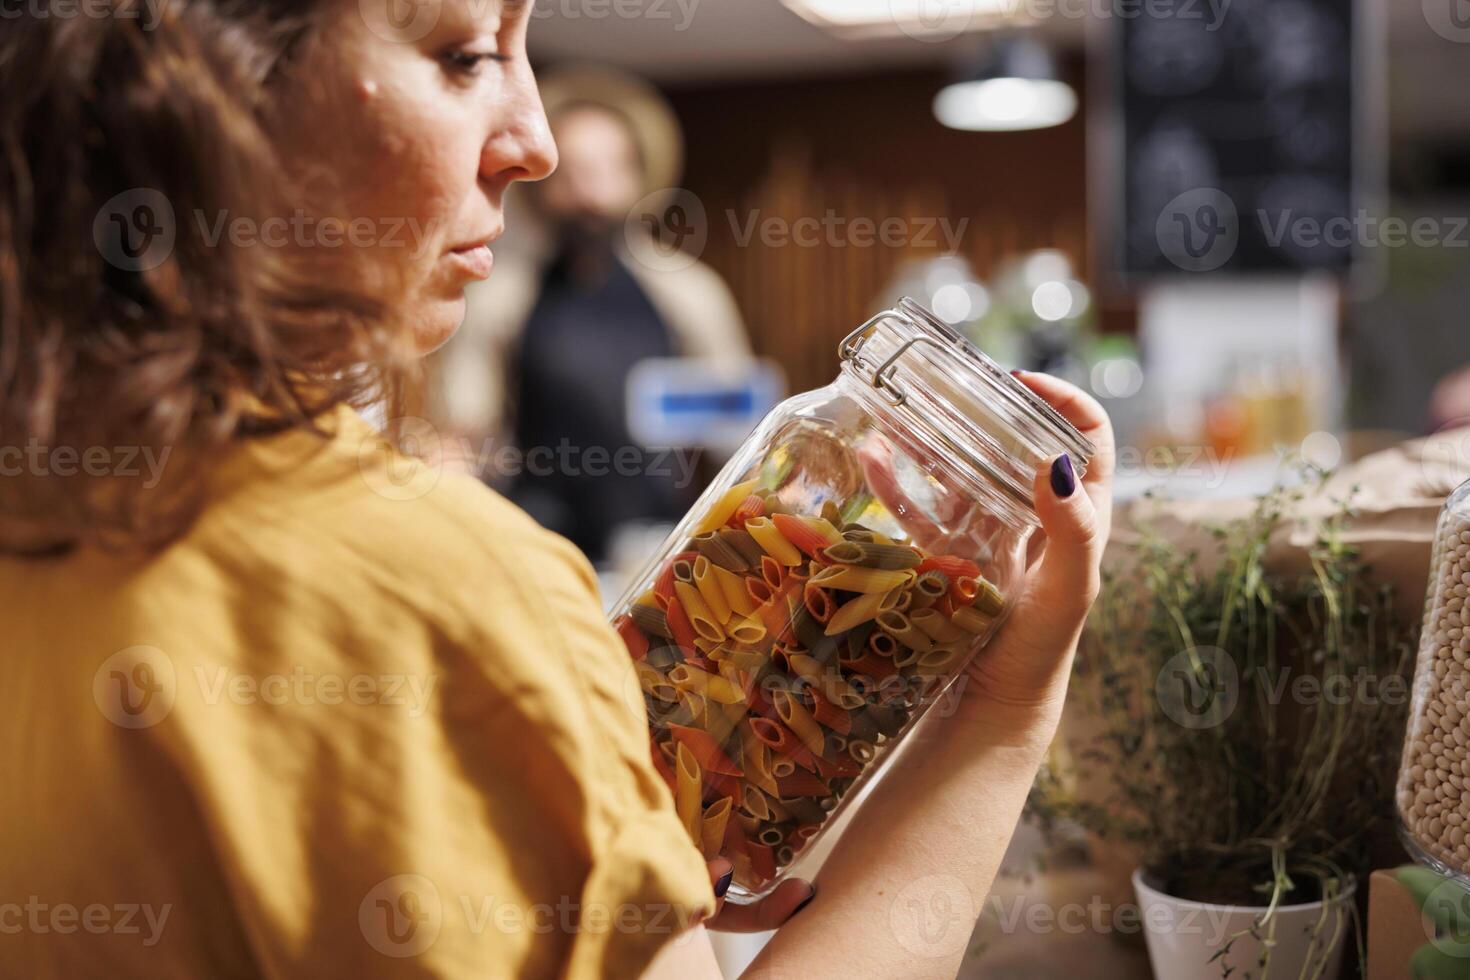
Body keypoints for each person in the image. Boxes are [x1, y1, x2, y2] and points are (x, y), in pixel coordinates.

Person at [0, 3, 1114, 979]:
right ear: (223, 85)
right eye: (465, 52)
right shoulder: (453, 596)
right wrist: (1006, 709)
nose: (531, 145)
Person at [429, 67, 752, 564]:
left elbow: (740, 437)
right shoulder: (501, 298)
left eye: (609, 171)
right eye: (574, 174)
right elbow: (466, 433)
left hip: (659, 552)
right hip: (535, 549)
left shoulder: (690, 294)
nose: (592, 197)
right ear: (543, 185)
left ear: (638, 176)